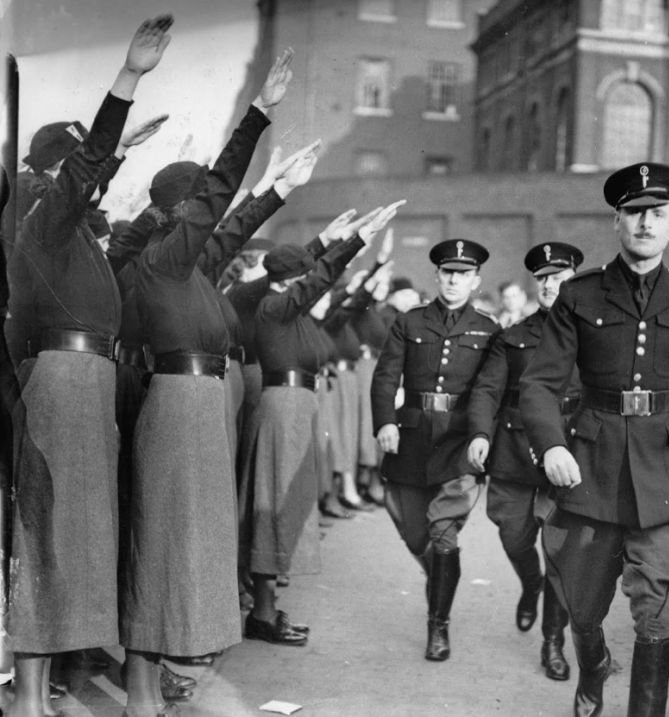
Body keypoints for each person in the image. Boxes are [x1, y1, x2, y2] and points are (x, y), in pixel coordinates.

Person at [519, 162, 669, 717]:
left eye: (657, 213)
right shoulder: (579, 295)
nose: (645, 223)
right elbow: (539, 384)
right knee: (582, 604)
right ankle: (592, 666)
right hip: (593, 470)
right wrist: (553, 445)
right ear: (617, 221)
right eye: (634, 213)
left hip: (666, 475)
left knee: (655, 613)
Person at [4, 16, 172, 717]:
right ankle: (29, 699)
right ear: (52, 173)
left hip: (87, 385)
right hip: (63, 384)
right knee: (47, 537)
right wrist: (126, 81)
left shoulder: (75, 236)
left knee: (73, 536)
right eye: (79, 167)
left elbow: (91, 184)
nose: (91, 177)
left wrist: (120, 151)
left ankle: (49, 683)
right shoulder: (45, 221)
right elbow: (81, 176)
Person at [122, 50, 297, 717]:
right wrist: (257, 115)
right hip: (177, 408)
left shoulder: (188, 267)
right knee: (162, 542)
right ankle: (141, 693)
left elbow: (233, 222)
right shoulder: (163, 261)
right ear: (177, 213)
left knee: (183, 543)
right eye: (198, 208)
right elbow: (219, 198)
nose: (210, 221)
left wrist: (277, 191)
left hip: (196, 409)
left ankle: (160, 675)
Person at [239, 204, 396, 646]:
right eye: (305, 279)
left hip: (296, 407)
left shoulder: (291, 313)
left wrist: (342, 242)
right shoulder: (275, 308)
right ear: (291, 281)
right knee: (273, 505)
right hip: (284, 408)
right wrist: (357, 241)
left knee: (284, 506)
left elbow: (317, 282)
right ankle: (263, 614)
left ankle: (267, 609)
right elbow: (320, 279)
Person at [371, 239, 500, 662]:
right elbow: (385, 377)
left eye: (463, 274)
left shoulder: (488, 329)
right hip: (410, 438)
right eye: (448, 273)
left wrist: (481, 436)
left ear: (476, 280)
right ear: (437, 276)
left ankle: (438, 626)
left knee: (443, 534)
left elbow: (487, 391)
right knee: (414, 534)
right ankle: (443, 575)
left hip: (458, 443)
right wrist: (385, 421)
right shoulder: (409, 321)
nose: (454, 280)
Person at [466, 242, 583, 681]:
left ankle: (553, 642)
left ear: (574, 279)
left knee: (561, 553)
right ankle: (529, 581)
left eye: (560, 277)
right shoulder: (512, 337)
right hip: (515, 453)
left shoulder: (593, 334)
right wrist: (480, 433)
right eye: (544, 279)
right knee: (513, 535)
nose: (551, 285)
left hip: (570, 454)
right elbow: (487, 390)